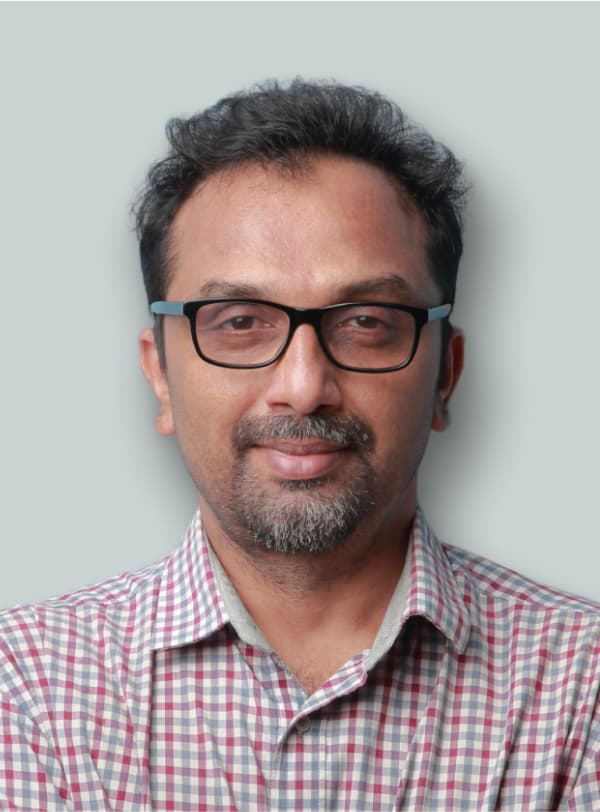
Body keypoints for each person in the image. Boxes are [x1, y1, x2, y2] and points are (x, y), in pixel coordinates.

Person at [1, 79, 599, 812]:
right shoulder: (24, 686)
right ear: (160, 374)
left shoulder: (582, 685)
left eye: (368, 320)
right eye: (239, 321)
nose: (303, 385)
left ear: (446, 372)